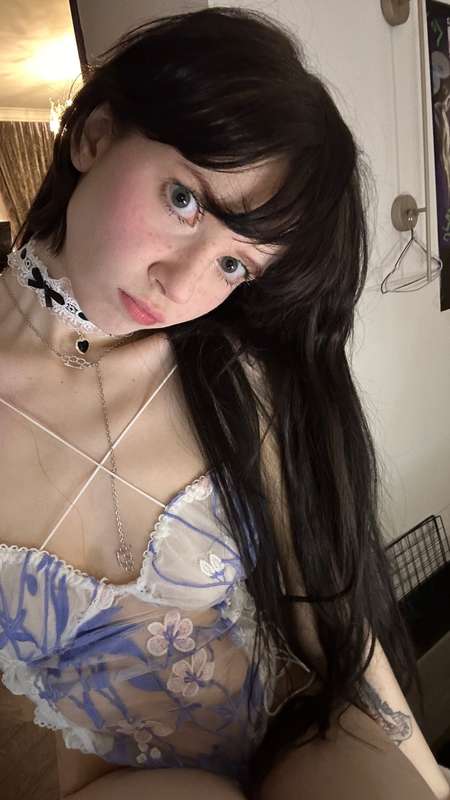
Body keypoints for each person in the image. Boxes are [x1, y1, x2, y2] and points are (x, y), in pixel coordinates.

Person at [0, 7, 448, 800]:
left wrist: (425, 778)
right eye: (185, 200)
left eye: (236, 265)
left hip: (304, 741)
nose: (182, 286)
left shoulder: (232, 377)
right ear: (95, 137)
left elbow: (333, 623)